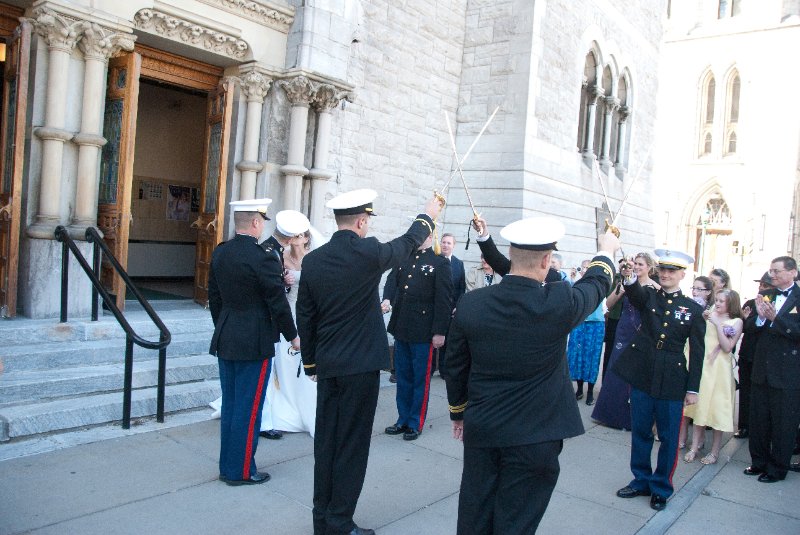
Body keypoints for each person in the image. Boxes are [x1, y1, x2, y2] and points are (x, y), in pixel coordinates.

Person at [444, 216, 619, 534]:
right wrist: (606, 250)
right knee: (516, 523)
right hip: (536, 436)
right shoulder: (559, 301)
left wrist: (458, 412)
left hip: (484, 428)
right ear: (547, 260)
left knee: (475, 514)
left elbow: (454, 366)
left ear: (510, 255)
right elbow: (596, 284)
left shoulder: (471, 304)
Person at [296, 189, 442, 535]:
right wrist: (428, 214)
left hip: (329, 365)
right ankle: (340, 523)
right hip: (360, 367)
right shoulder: (369, 253)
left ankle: (323, 520)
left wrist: (312, 362)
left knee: (327, 444)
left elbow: (306, 315)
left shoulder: (314, 261)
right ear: (362, 221)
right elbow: (409, 241)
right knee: (352, 446)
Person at [208, 198, 300, 486]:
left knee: (233, 405)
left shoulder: (221, 252)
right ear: (257, 223)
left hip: (227, 336)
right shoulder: (262, 257)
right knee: (249, 409)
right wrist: (293, 336)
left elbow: (215, 298)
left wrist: (224, 325)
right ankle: (242, 471)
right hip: (254, 340)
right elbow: (277, 303)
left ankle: (228, 466)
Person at [613, 249, 705, 511]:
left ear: (682, 275)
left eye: (672, 271)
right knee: (640, 431)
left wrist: (693, 389)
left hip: (673, 378)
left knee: (667, 436)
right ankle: (641, 480)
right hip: (644, 374)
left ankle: (661, 486)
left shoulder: (692, 309)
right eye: (662, 270)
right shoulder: (650, 297)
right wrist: (629, 275)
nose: (666, 275)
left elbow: (697, 353)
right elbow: (636, 293)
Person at [381, 233, 453, 440]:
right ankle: (402, 419)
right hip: (402, 326)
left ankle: (415, 422)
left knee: (420, 378)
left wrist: (440, 331)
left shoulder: (439, 263)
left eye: (424, 234)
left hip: (424, 331)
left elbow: (443, 300)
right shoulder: (405, 257)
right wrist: (387, 299)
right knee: (403, 377)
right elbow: (392, 280)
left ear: (431, 237)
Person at [261, 211, 319, 438]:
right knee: (284, 360)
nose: (296, 238)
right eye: (294, 234)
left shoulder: (313, 259)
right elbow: (277, 292)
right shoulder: (278, 257)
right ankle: (283, 400)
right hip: (286, 313)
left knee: (302, 360)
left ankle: (302, 403)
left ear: (306, 238)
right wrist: (285, 283)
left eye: (301, 235)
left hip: (304, 313)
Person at [743, 256, 800, 483]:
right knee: (758, 420)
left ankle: (777, 468)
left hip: (787, 372)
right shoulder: (767, 295)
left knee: (783, 423)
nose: (772, 275)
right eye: (770, 270)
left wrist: (776, 319)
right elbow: (750, 327)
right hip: (762, 368)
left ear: (793, 272)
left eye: (776, 271)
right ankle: (759, 462)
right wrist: (758, 319)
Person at [591, 252, 659, 430]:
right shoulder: (625, 283)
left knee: (635, 374)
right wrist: (620, 291)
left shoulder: (655, 288)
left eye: (641, 264)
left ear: (649, 268)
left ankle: (630, 419)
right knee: (616, 369)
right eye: (635, 263)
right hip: (623, 329)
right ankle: (608, 414)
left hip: (641, 332)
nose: (636, 267)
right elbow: (609, 305)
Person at [683, 289, 743, 465]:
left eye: (722, 301)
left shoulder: (736, 321)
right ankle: (694, 446)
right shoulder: (709, 315)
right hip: (704, 365)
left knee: (717, 409)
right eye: (716, 300)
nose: (717, 304)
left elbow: (727, 347)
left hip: (720, 370)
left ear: (730, 304)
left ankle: (715, 451)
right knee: (700, 407)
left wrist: (718, 324)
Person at [676, 275, 715, 448]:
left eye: (700, 289)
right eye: (694, 288)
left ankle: (698, 440)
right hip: (685, 350)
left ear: (708, 292)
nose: (695, 292)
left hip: (705, 356)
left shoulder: (712, 309)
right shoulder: (687, 306)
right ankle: (681, 437)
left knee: (699, 400)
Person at [735, 272, 774, 439]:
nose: (761, 288)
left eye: (765, 285)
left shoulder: (778, 305)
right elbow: (745, 326)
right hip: (748, 354)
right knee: (746, 392)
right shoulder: (751, 303)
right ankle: (744, 426)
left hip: (768, 358)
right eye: (760, 285)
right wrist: (753, 317)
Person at [568, 259, 605, 405]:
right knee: (578, 356)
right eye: (583, 268)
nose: (584, 270)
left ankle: (590, 391)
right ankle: (579, 389)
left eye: (587, 268)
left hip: (596, 324)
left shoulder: (599, 284)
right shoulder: (577, 283)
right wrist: (572, 279)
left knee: (592, 357)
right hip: (579, 322)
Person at [435, 232, 464, 377]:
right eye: (444, 242)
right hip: (434, 308)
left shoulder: (459, 264)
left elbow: (461, 287)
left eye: (449, 243)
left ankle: (443, 370)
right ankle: (431, 368)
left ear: (454, 246)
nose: (445, 245)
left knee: (447, 341)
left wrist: (457, 306)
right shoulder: (434, 260)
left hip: (451, 309)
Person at [601, 258, 633, 380]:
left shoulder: (635, 280)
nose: (625, 269)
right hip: (614, 319)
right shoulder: (615, 278)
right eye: (623, 267)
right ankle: (605, 380)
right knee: (609, 352)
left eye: (628, 267)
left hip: (628, 321)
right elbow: (608, 298)